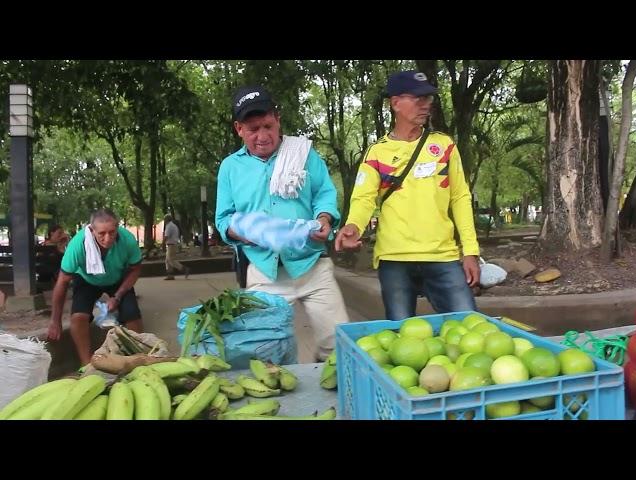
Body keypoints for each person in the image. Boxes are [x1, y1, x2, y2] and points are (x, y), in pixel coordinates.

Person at [215, 84, 349, 361]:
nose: (263, 136)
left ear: (277, 118)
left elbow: (324, 193)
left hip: (312, 265)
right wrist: (243, 232)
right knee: (266, 352)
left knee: (337, 347)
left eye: (267, 125)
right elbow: (223, 218)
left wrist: (324, 218)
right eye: (253, 129)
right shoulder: (230, 167)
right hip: (265, 272)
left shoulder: (303, 154)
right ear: (238, 129)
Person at [335, 70, 480, 320]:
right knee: (403, 336)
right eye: (418, 98)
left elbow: (460, 197)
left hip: (442, 256)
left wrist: (470, 250)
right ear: (395, 103)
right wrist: (353, 225)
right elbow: (364, 198)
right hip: (394, 259)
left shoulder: (444, 146)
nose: (426, 105)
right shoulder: (377, 153)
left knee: (470, 326)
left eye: (429, 99)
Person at [46, 208, 145, 366]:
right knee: (78, 317)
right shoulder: (77, 245)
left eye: (112, 232)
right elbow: (62, 282)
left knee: (132, 314)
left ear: (118, 227)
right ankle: (87, 365)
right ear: (91, 230)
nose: (108, 238)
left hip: (117, 277)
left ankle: (139, 358)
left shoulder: (127, 240)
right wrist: (55, 320)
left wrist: (117, 296)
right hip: (86, 279)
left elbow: (135, 269)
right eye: (102, 234)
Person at [162, 214, 190, 280]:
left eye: (164, 219)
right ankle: (170, 275)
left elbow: (166, 236)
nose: (164, 221)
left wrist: (163, 243)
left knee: (171, 260)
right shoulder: (173, 225)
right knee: (167, 260)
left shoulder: (169, 226)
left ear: (166, 219)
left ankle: (184, 269)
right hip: (173, 244)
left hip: (171, 244)